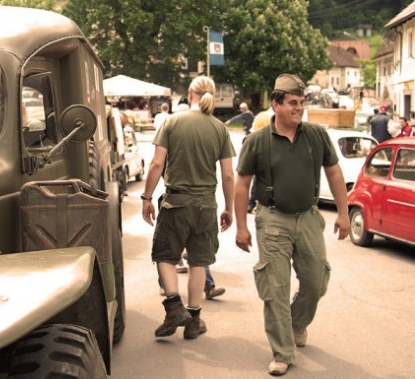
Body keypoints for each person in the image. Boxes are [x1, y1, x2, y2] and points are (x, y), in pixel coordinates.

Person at [234, 74, 350, 376]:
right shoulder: (257, 141)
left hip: (309, 217)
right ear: (276, 104)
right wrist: (241, 226)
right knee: (275, 288)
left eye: (302, 102)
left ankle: (297, 323)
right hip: (272, 220)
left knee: (316, 282)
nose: (299, 109)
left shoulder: (316, 135)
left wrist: (343, 212)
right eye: (293, 103)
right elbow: (241, 185)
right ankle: (282, 352)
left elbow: (335, 174)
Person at [142, 75, 235, 340]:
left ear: (189, 95)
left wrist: (147, 198)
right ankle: (194, 321)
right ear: (211, 96)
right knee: (198, 262)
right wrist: (228, 208)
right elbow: (228, 176)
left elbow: (156, 165)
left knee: (164, 255)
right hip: (206, 206)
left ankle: (174, 307)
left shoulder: (172, 122)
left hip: (176, 203)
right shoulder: (220, 128)